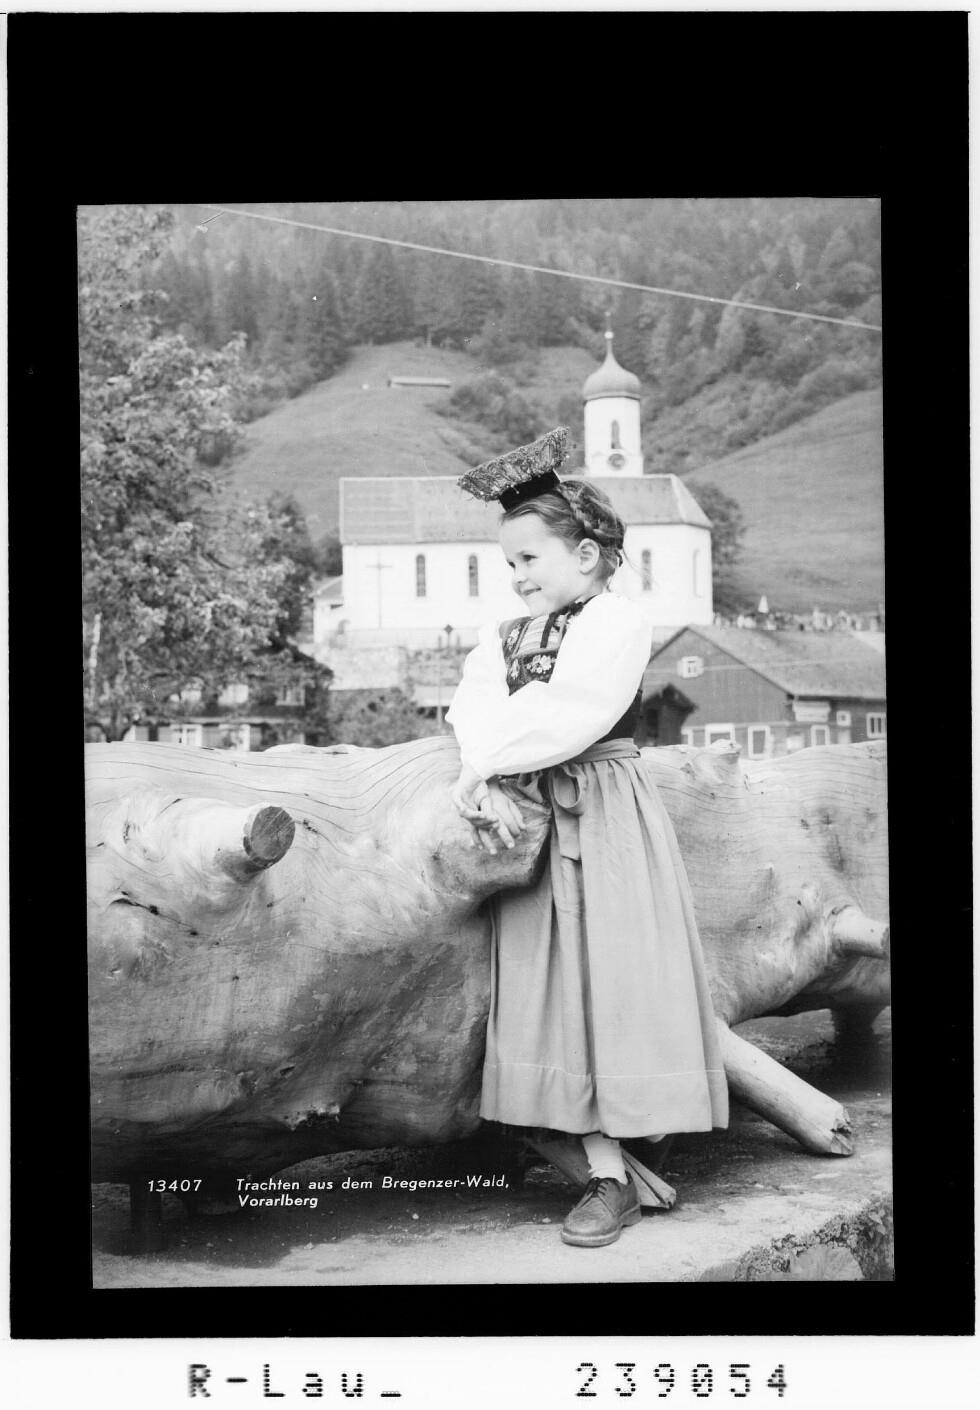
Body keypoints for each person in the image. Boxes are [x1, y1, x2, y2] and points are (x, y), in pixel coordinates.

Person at [447, 429, 728, 1248]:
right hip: (527, 815)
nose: (518, 576)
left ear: (587, 555)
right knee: (546, 985)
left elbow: (571, 711)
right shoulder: (503, 635)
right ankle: (602, 1161)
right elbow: (474, 707)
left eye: (530, 558)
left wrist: (489, 763)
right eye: (510, 563)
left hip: (602, 808)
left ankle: (628, 1149)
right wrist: (479, 771)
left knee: (615, 975)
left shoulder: (616, 622)